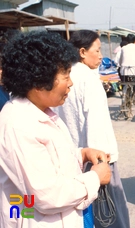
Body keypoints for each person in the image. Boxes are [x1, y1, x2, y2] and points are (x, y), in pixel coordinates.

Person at [0, 30, 112, 227]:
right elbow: (47, 195)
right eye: (65, 75)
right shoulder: (18, 124)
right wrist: (95, 177)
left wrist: (82, 154)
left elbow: (51, 162)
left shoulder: (44, 113)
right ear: (39, 80)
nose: (71, 83)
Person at [53, 30, 130, 228]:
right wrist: (103, 161)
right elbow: (97, 123)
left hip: (74, 156)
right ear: (82, 52)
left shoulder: (63, 76)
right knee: (111, 212)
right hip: (97, 156)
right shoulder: (88, 78)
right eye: (97, 50)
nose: (101, 55)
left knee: (86, 212)